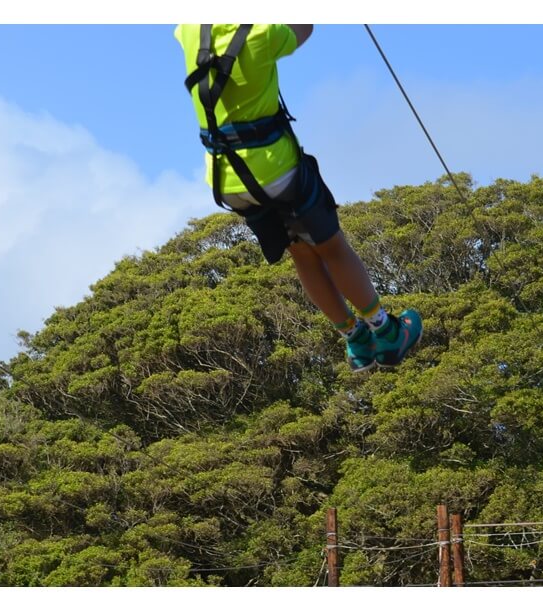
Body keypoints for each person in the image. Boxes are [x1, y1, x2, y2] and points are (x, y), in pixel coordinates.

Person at [174, 24, 422, 371]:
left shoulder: (190, 30)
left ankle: (355, 338)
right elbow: (305, 26)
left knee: (301, 254)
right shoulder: (262, 33)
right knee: (331, 247)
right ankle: (385, 329)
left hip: (225, 179)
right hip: (274, 170)